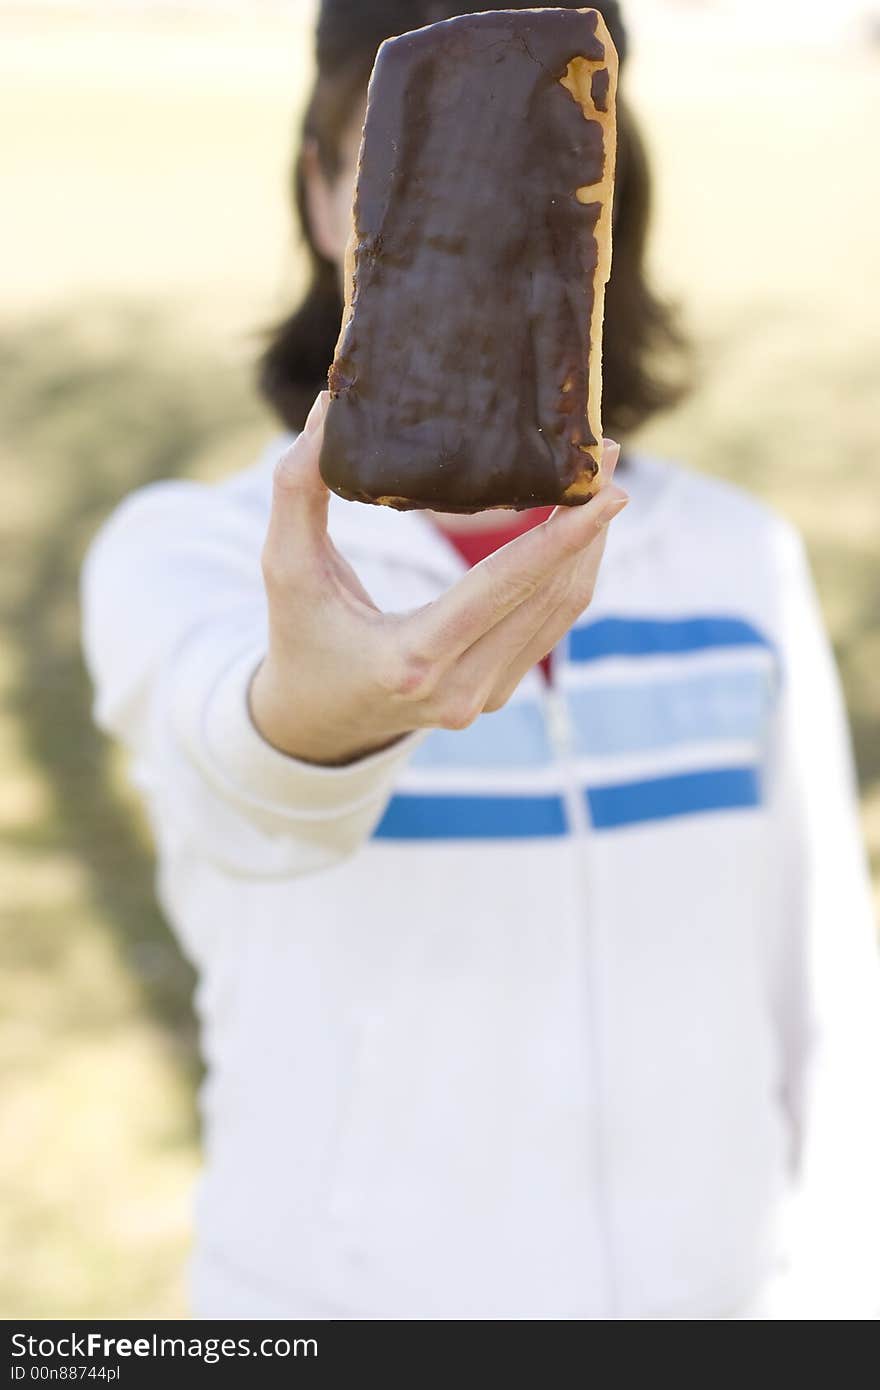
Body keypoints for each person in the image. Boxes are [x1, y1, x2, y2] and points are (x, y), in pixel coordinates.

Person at [81, 1, 880, 1319]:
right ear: (329, 192)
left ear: (607, 199)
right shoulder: (189, 562)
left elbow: (821, 994)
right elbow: (232, 767)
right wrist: (319, 716)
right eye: (406, 148)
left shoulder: (740, 562)